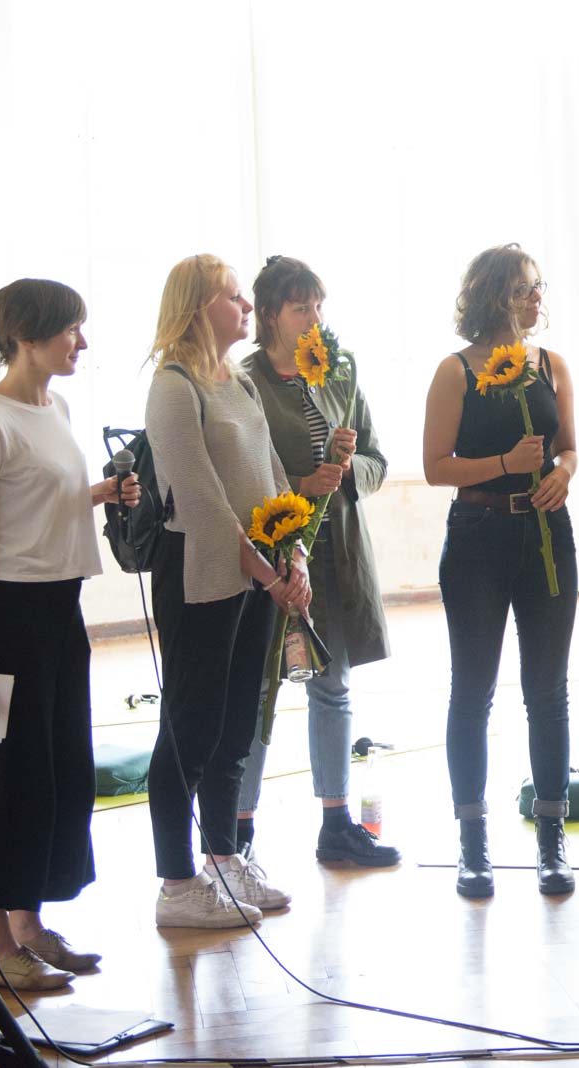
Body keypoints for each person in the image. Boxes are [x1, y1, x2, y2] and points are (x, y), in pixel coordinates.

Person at [0, 279, 138, 990]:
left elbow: (33, 502)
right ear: (27, 337)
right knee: (2, 781)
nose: (80, 343)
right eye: (70, 330)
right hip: (4, 619)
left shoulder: (54, 407)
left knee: (52, 775)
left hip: (59, 612)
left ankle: (28, 927)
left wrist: (100, 494)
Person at [146, 254, 308, 927]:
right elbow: (205, 504)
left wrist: (294, 552)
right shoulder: (173, 386)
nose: (246, 308)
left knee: (238, 724)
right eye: (234, 297)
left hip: (257, 573)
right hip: (201, 573)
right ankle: (176, 883)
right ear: (197, 306)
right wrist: (268, 574)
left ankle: (223, 859)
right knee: (192, 727)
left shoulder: (238, 379)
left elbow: (273, 475)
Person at [424, 243, 578, 897]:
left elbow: (568, 448)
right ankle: (473, 844)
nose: (536, 299)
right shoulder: (456, 371)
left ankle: (551, 838)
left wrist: (562, 473)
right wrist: (505, 466)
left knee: (548, 692)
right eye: (523, 289)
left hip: (547, 536)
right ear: (493, 296)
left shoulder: (551, 365)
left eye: (539, 287)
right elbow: (436, 467)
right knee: (473, 692)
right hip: (479, 537)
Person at [234, 255, 398, 868]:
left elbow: (377, 461)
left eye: (319, 306)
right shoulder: (245, 382)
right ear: (269, 314)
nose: (314, 318)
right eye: (301, 307)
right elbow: (242, 472)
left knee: (333, 688)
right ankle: (237, 832)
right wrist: (302, 484)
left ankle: (336, 823)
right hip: (271, 559)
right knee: (259, 692)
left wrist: (349, 469)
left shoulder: (338, 374)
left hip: (337, 555)